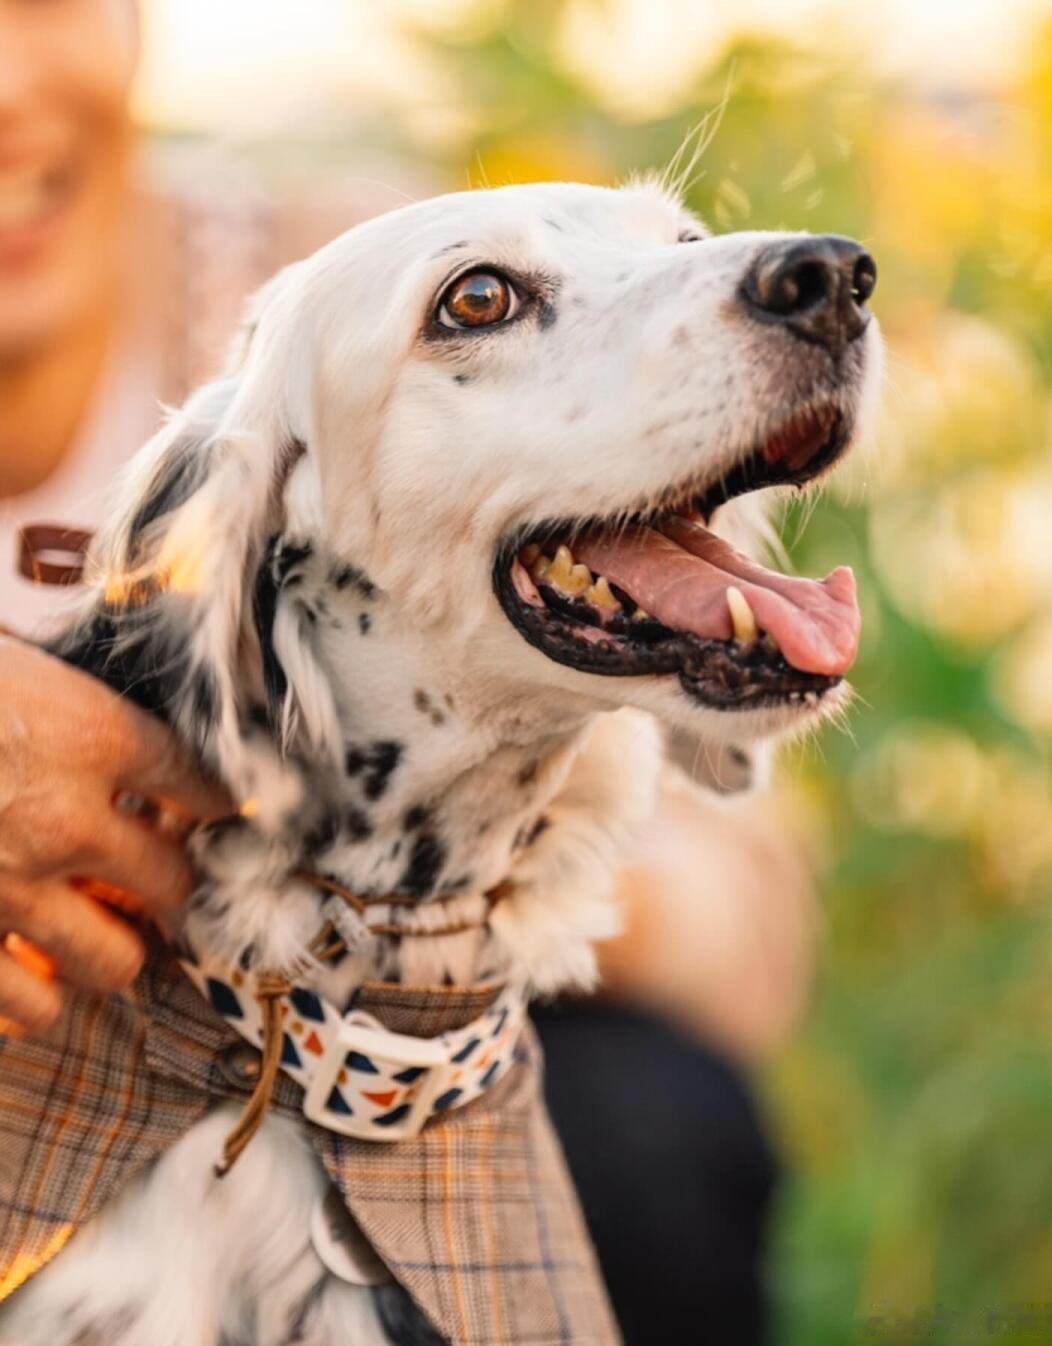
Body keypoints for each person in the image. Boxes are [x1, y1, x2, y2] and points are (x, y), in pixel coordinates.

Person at [0, 3, 815, 1338]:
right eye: (488, 309)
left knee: (650, 1125)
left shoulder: (337, 262)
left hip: (449, 1063)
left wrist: (400, 924)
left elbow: (753, 939)